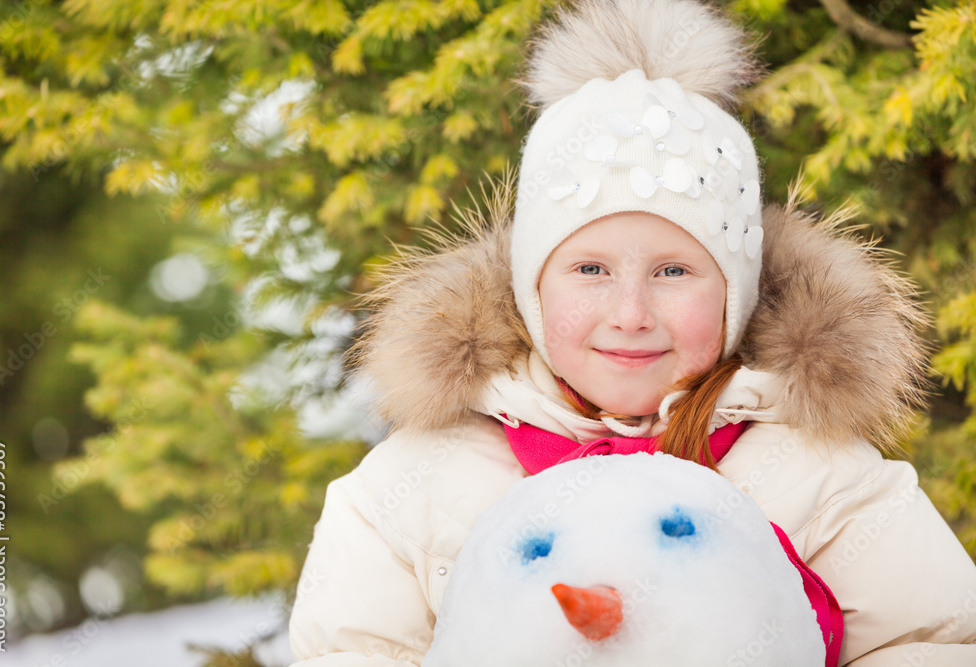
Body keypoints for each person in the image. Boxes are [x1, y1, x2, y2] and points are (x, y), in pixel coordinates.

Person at [288, 0, 976, 664]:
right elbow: (354, 647)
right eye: (590, 268)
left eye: (674, 271)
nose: (630, 313)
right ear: (531, 287)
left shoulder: (824, 476)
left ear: (736, 292)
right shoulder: (412, 483)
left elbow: (932, 640)